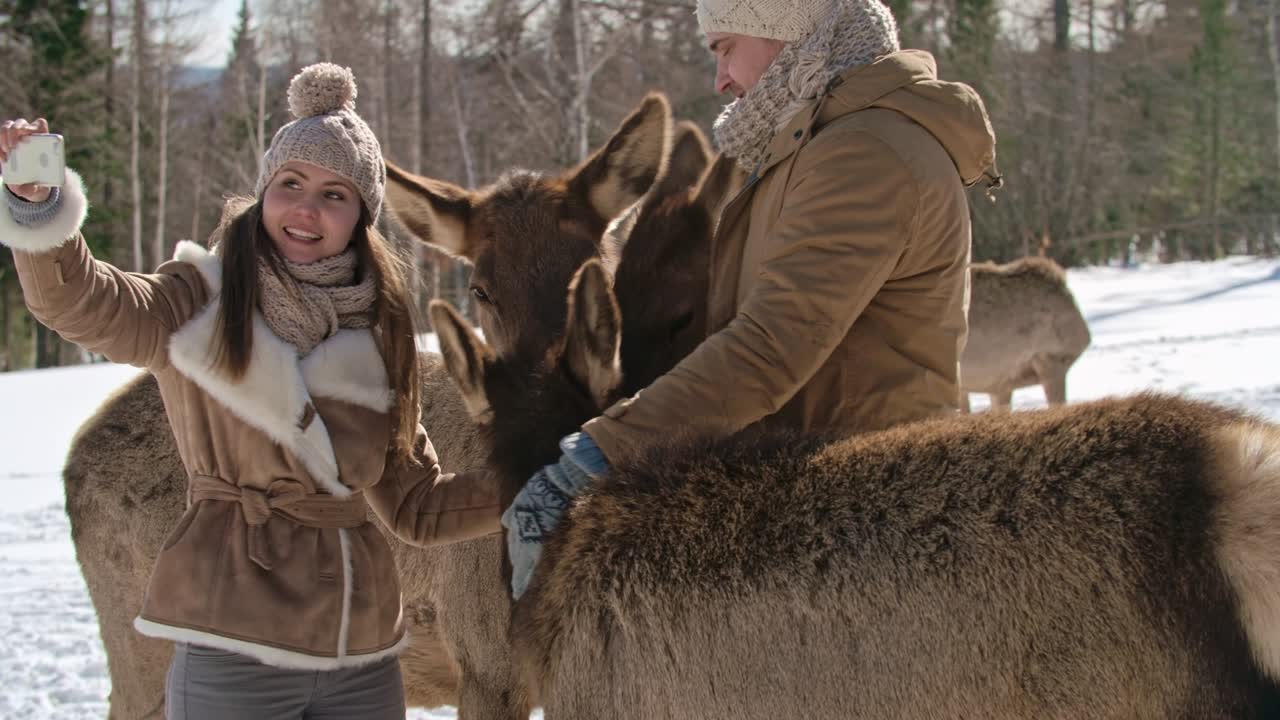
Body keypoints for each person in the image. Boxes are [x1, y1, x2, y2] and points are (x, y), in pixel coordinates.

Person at [0, 63, 502, 719]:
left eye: (333, 194)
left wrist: (534, 484)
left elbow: (416, 506)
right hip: (235, 650)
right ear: (266, 190)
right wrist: (39, 206)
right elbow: (80, 301)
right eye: (291, 183)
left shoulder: (381, 336)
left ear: (361, 216)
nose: (305, 208)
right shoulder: (197, 303)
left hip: (365, 660)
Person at [503, 0, 1002, 599]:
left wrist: (597, 453)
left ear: (784, 29)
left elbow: (771, 347)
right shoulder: (817, 146)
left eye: (724, 47)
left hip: (876, 527)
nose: (720, 80)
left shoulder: (865, 152)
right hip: (828, 507)